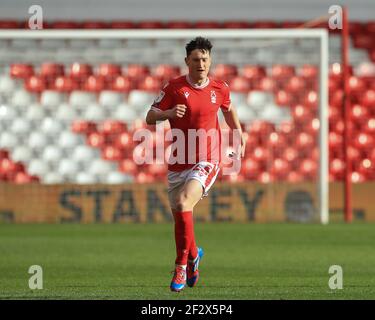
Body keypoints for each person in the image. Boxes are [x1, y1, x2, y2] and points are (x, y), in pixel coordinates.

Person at [146, 37, 245, 292]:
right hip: (179, 161)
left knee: (182, 203)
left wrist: (239, 134)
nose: (201, 64)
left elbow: (229, 110)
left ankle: (180, 265)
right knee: (181, 215)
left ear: (210, 60)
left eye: (205, 59)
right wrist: (168, 113)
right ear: (186, 61)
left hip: (208, 159)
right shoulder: (174, 88)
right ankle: (193, 255)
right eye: (195, 59)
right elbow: (150, 116)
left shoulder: (220, 88)